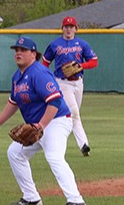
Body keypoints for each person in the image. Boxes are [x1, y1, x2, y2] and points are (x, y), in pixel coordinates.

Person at [0, 36, 87, 205]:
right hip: (38, 125)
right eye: (16, 50)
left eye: (23, 50)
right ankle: (31, 197)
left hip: (57, 121)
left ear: (33, 54)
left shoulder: (39, 73)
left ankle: (76, 200)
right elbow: (13, 103)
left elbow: (54, 102)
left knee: (54, 156)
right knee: (15, 153)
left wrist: (40, 126)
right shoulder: (17, 77)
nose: (18, 53)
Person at [42, 16, 98, 156]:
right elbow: (44, 63)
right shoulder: (55, 44)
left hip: (78, 82)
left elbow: (94, 61)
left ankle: (53, 140)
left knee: (70, 117)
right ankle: (84, 145)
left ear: (76, 29)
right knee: (74, 114)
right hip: (62, 83)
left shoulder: (82, 44)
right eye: (66, 26)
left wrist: (81, 66)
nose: (68, 29)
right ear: (62, 28)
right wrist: (49, 79)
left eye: (71, 26)